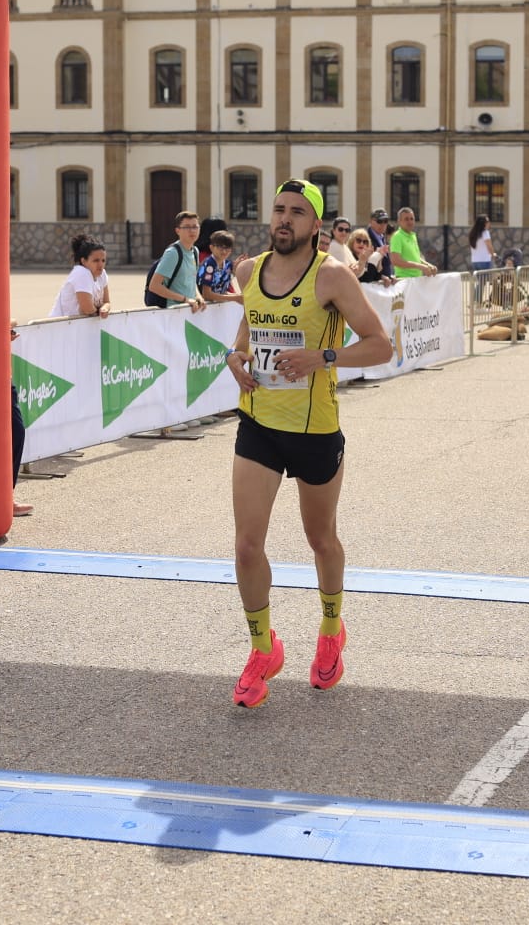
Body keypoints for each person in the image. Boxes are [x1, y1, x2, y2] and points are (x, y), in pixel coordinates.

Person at [222, 179, 391, 708]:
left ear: (315, 224)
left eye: (297, 212)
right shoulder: (248, 271)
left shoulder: (332, 277)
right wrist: (235, 358)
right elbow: (249, 332)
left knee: (321, 540)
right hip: (260, 426)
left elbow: (382, 345)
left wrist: (325, 357)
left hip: (315, 431)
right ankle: (262, 648)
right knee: (247, 545)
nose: (284, 219)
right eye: (278, 209)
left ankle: (331, 629)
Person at [149, 211, 208, 313]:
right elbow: (154, 286)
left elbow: (191, 280)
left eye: (195, 227)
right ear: (178, 231)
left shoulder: (195, 251)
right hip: (174, 312)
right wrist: (185, 299)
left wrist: (198, 296)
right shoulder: (173, 253)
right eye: (187, 227)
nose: (192, 231)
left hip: (191, 310)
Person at [49, 233, 112, 318]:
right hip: (61, 326)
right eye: (96, 260)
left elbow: (106, 302)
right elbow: (87, 309)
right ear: (84, 261)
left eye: (103, 260)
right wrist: (99, 311)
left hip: (78, 326)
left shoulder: (102, 274)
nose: (101, 265)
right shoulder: (81, 273)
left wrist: (104, 309)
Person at [8, 324, 32, 518]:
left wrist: (4, 330)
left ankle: (7, 496)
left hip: (3, 379)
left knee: (17, 432)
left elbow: (11, 320)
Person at [198, 229, 244, 303]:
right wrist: (235, 298)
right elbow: (206, 294)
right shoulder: (209, 265)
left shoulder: (228, 265)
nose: (224, 251)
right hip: (205, 308)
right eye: (220, 247)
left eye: (227, 248)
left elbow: (222, 292)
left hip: (219, 307)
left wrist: (238, 297)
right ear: (211, 247)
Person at [389, 207, 437, 277]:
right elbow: (396, 261)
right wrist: (420, 266)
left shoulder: (413, 236)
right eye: (406, 219)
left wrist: (428, 265)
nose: (410, 222)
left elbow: (416, 258)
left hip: (416, 280)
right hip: (404, 280)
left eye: (412, 219)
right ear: (399, 221)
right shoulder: (397, 237)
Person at [467, 215, 495, 306]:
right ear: (483, 223)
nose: (489, 223)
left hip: (475, 261)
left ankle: (474, 301)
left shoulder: (473, 233)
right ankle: (476, 303)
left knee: (480, 282)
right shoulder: (485, 233)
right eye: (487, 221)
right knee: (482, 283)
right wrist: (493, 254)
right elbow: (489, 246)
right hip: (484, 260)